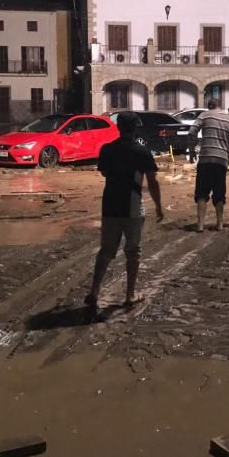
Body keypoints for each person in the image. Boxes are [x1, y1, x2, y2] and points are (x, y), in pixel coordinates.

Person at [86, 111, 164, 315]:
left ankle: (94, 291)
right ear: (135, 128)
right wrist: (158, 206)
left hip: (110, 204)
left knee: (106, 250)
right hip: (132, 206)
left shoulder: (107, 149)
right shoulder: (142, 152)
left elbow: (103, 172)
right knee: (133, 251)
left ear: (118, 127)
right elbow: (152, 181)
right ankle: (130, 294)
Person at [188, 99, 229, 232]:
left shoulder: (204, 115)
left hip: (205, 160)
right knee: (219, 192)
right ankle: (219, 224)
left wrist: (191, 151)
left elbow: (191, 132)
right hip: (221, 161)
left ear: (208, 107)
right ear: (220, 107)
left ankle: (200, 225)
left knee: (202, 193)